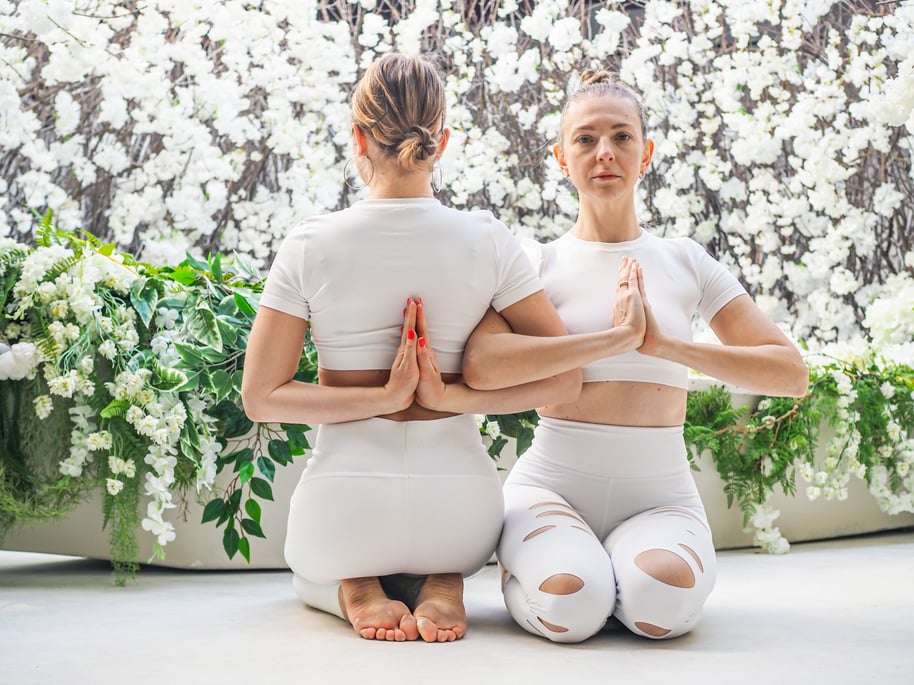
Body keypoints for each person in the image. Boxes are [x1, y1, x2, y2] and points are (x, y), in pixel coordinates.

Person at [241, 54, 646, 644]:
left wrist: (382, 396)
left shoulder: (311, 243)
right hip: (461, 522)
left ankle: (351, 586)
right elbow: (563, 382)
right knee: (443, 545)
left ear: (358, 137)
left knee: (310, 565)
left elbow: (262, 397)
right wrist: (447, 395)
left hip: (342, 515)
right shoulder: (486, 239)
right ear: (443, 140)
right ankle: (441, 578)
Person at [460, 70, 809, 643]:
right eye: (585, 138)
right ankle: (561, 576)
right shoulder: (535, 261)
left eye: (622, 137)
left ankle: (611, 579)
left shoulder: (685, 260)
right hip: (551, 485)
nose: (604, 153)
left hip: (659, 495)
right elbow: (481, 364)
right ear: (560, 157)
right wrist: (613, 341)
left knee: (662, 608)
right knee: (571, 612)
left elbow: (790, 373)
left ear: (646, 153)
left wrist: (664, 346)